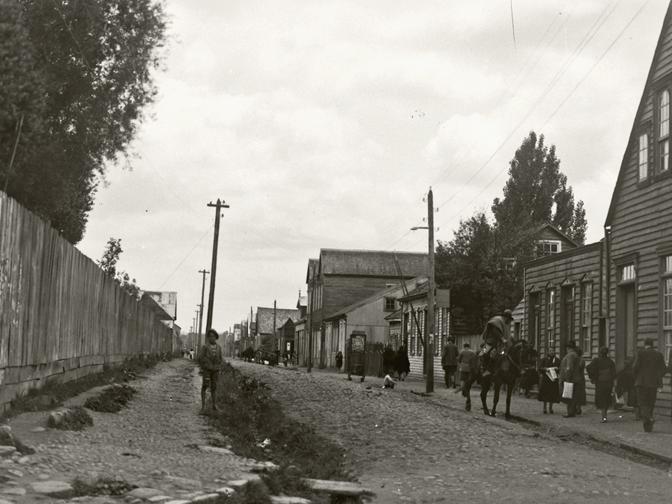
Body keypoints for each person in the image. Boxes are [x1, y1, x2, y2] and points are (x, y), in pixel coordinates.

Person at [633, 338, 667, 432]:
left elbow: (635, 367)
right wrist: (657, 377)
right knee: (651, 403)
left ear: (645, 344)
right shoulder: (659, 355)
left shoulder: (640, 353)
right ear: (653, 344)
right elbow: (664, 369)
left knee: (642, 403)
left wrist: (637, 377)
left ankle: (650, 418)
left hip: (641, 382)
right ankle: (648, 428)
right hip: (653, 384)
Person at [479, 309, 514, 377]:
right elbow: (495, 330)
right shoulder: (497, 320)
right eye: (508, 318)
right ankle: (484, 368)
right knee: (483, 353)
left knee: (504, 355)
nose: (509, 320)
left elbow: (508, 334)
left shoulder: (506, 324)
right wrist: (502, 339)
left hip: (501, 344)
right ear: (505, 317)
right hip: (490, 341)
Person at [587, 347, 616, 423]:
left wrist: (593, 378)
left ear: (600, 353)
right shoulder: (610, 361)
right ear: (607, 353)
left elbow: (588, 368)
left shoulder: (596, 361)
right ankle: (605, 416)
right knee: (606, 398)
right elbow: (614, 373)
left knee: (601, 399)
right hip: (608, 383)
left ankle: (604, 417)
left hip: (600, 383)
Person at [197, 329, 224, 412]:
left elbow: (220, 358)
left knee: (214, 387)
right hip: (207, 370)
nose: (211, 338)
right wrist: (205, 365)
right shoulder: (205, 347)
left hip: (215, 370)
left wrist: (218, 366)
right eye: (210, 336)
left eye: (213, 336)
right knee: (205, 386)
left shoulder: (219, 348)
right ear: (208, 338)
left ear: (216, 337)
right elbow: (200, 358)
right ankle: (203, 407)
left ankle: (214, 405)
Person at [559, 340, 582, 418]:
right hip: (575, 378)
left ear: (568, 348)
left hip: (571, 379)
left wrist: (567, 379)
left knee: (569, 396)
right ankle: (572, 411)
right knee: (573, 396)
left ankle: (570, 412)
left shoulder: (570, 355)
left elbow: (569, 368)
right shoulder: (575, 355)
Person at [538, 350, 560, 414]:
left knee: (552, 394)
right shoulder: (544, 359)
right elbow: (540, 368)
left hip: (553, 379)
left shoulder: (557, 360)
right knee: (545, 394)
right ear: (548, 352)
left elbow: (560, 368)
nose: (551, 352)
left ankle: (551, 408)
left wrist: (557, 368)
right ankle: (544, 408)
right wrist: (545, 369)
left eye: (553, 351)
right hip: (546, 379)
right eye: (550, 351)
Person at [457, 343, 478, 411]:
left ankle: (464, 391)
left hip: (463, 368)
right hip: (470, 369)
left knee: (463, 380)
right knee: (468, 383)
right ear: (469, 347)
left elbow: (459, 360)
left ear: (464, 346)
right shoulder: (472, 352)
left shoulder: (462, 352)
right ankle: (465, 391)